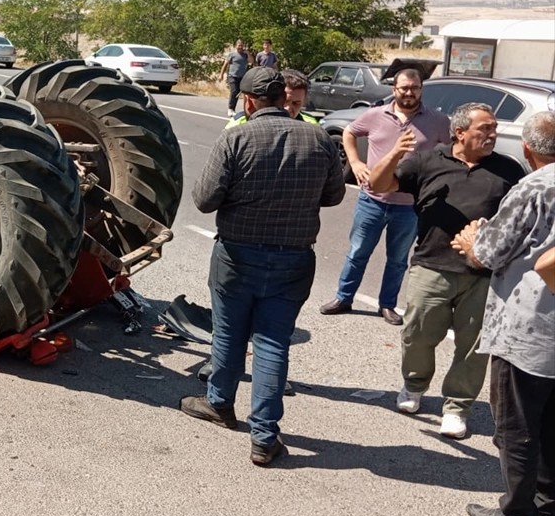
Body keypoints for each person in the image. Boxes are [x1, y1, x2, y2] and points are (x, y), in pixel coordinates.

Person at [182, 68, 346, 466]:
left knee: (228, 333)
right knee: (273, 343)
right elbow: (335, 195)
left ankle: (220, 404)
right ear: (280, 97)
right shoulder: (319, 138)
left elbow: (204, 200)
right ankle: (264, 437)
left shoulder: (236, 137)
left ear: (248, 101)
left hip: (237, 254)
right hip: (293, 257)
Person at [367, 103, 525, 439]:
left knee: (473, 346)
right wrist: (395, 153)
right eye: (485, 128)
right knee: (417, 334)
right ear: (460, 132)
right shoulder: (428, 161)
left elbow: (521, 220)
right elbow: (380, 185)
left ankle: (457, 406)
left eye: (494, 128)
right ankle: (414, 385)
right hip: (431, 264)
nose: (492, 134)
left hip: (483, 274)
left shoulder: (509, 170)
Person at [450, 111, 555, 516]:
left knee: (515, 423)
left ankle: (517, 515)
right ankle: (548, 506)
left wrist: (472, 240)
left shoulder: (534, 186)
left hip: (528, 324)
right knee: (550, 421)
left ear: (528, 150)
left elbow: (490, 253)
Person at [321, 69, 450, 325]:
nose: (409, 92)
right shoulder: (375, 115)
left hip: (409, 206)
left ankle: (387, 305)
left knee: (397, 260)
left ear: (421, 89)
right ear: (394, 90)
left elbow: (450, 152)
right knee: (358, 252)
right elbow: (349, 132)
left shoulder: (437, 120)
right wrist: (356, 162)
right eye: (404, 88)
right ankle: (344, 297)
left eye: (414, 88)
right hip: (372, 200)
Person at [224, 69, 318, 127]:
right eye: (285, 101)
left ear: (304, 102)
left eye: (296, 103)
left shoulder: (311, 125)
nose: (288, 108)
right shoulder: (239, 123)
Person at [219, 39, 250, 114]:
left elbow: (252, 61)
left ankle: (234, 109)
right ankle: (230, 108)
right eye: (239, 45)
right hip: (232, 76)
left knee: (238, 93)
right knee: (234, 91)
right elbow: (225, 64)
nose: (240, 47)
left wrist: (248, 53)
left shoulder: (245, 55)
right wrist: (221, 74)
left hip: (242, 77)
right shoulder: (232, 54)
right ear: (236, 46)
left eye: (241, 45)